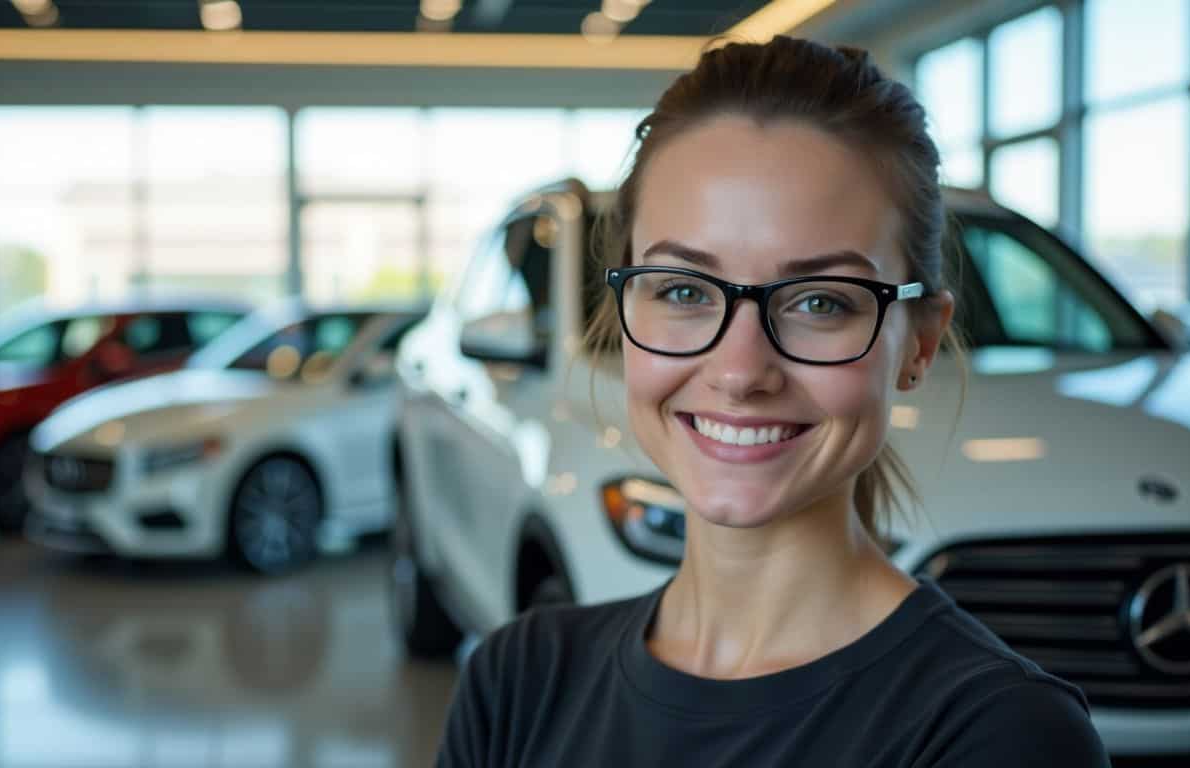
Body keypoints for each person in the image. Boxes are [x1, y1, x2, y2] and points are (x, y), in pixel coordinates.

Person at [435, 35, 1111, 768]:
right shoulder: (517, 682)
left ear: (917, 344)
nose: (741, 369)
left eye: (820, 301)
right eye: (685, 291)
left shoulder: (1002, 738)